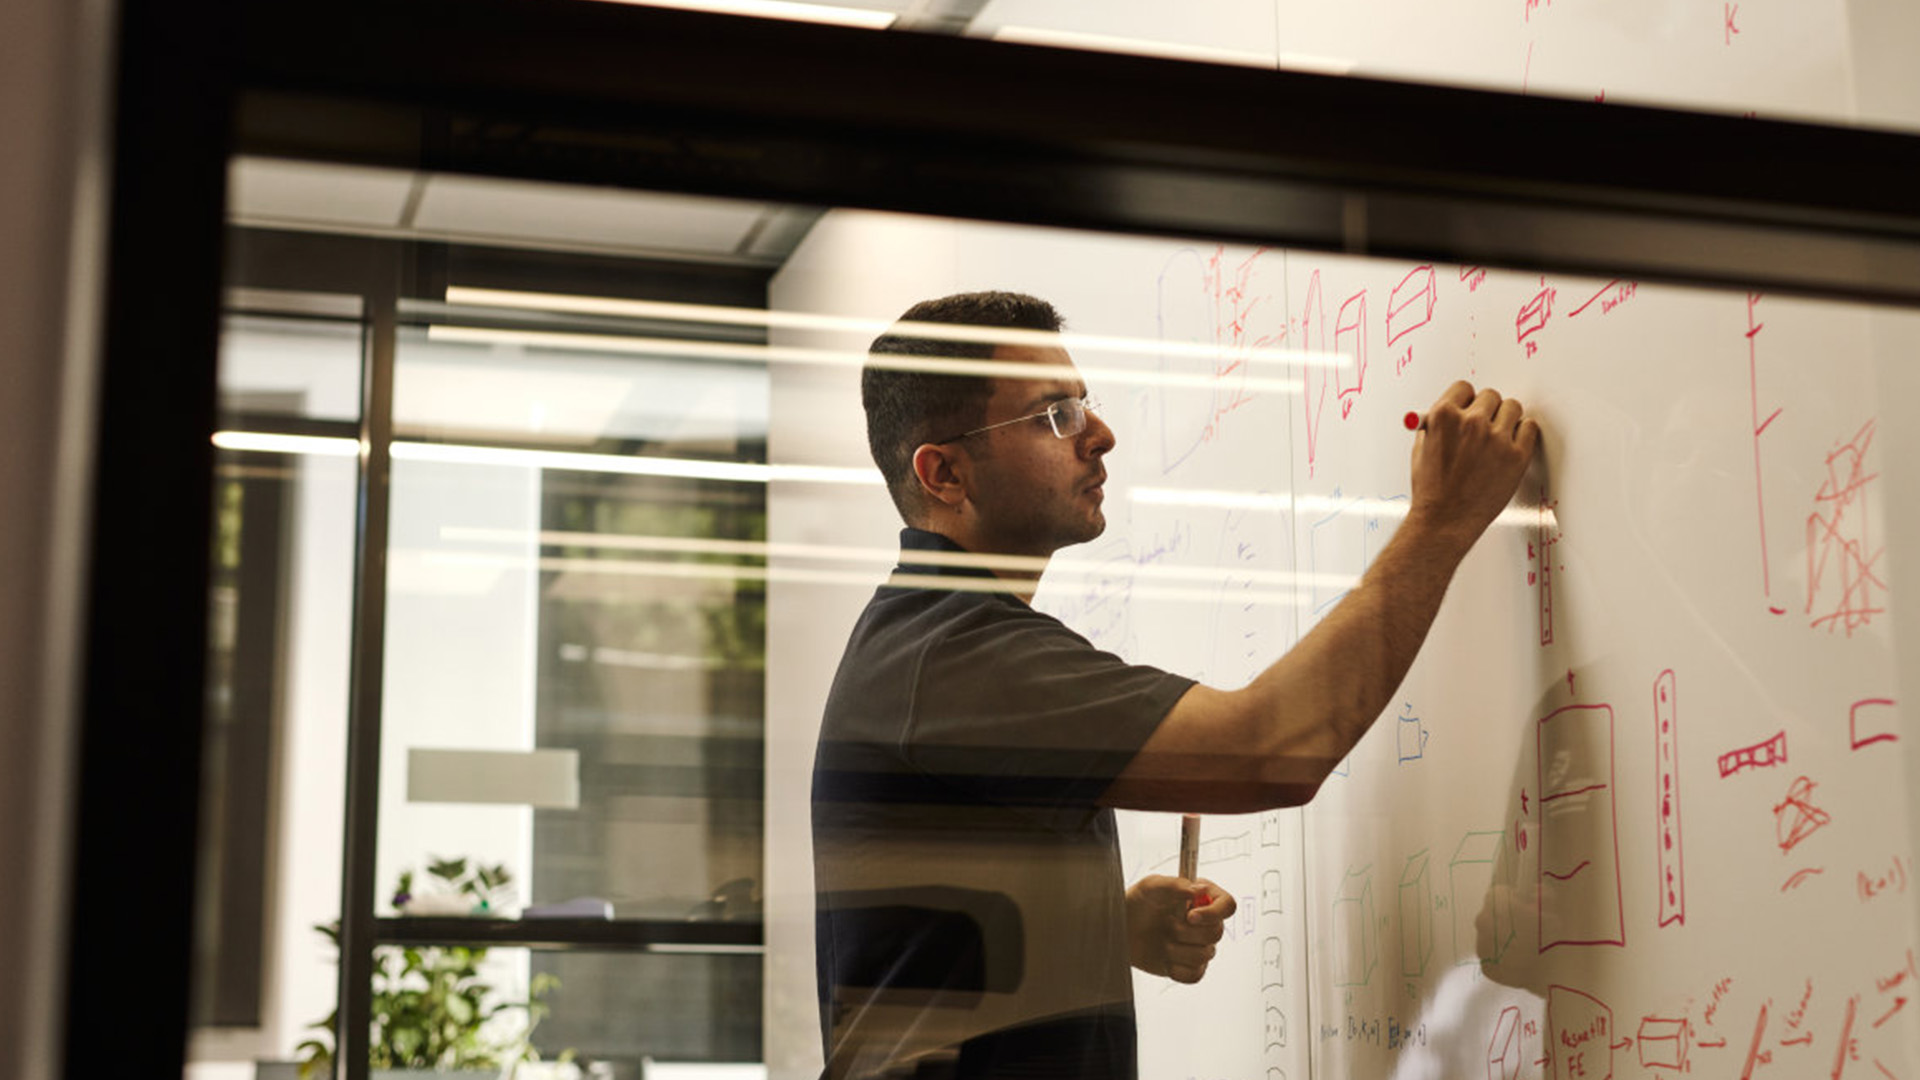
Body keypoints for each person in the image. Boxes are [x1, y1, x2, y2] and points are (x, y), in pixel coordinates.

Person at [812, 291, 1540, 1080]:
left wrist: (1103, 931)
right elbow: (1269, 753)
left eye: (1082, 403)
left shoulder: (931, 643)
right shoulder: (951, 657)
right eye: (1053, 415)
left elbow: (931, 947)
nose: (1100, 434)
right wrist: (1439, 520)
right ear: (945, 472)